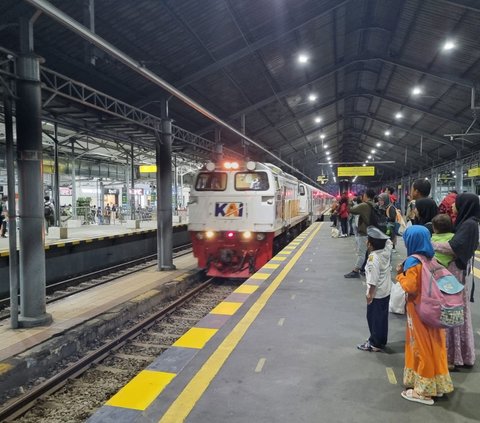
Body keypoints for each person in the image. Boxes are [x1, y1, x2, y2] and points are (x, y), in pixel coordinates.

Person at [396, 226, 454, 405]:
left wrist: (400, 276)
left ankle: (423, 391)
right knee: (435, 344)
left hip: (419, 310)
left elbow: (410, 287)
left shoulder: (413, 261)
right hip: (434, 310)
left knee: (420, 346)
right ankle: (438, 384)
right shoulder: (431, 259)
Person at [431, 193, 479, 368]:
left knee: (451, 311)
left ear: (464, 205)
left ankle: (452, 356)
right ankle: (455, 354)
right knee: (454, 311)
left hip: (453, 274)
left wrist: (430, 243)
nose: (452, 206)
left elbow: (452, 247)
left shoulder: (469, 225)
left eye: (455, 203)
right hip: (455, 273)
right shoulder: (469, 222)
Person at [357, 226, 392, 352]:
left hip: (377, 294)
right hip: (386, 291)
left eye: (368, 240)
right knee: (382, 318)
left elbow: (373, 280)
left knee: (374, 318)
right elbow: (389, 242)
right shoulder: (386, 251)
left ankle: (374, 343)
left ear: (370, 244)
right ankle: (381, 340)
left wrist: (369, 295)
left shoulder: (373, 258)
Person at [344, 189, 375, 278]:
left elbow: (350, 210)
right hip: (372, 232)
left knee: (361, 253)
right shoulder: (374, 205)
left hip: (364, 232)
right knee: (368, 253)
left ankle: (356, 270)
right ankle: (365, 269)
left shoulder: (364, 205)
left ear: (366, 196)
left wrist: (350, 201)